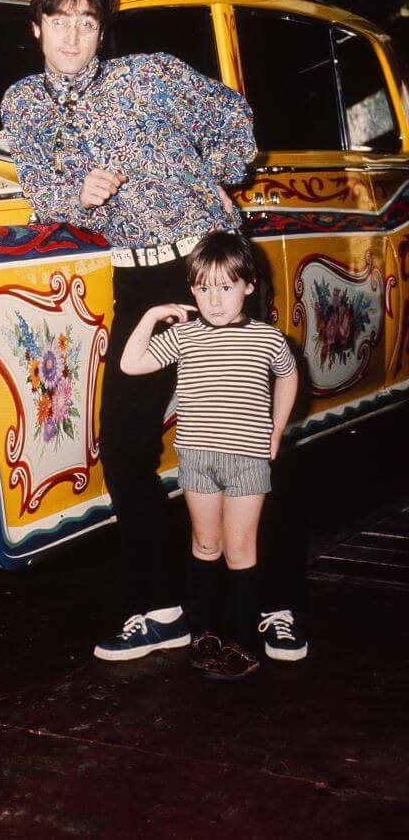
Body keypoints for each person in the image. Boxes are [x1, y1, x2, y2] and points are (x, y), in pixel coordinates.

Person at [0, 0, 279, 661]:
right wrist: (76, 197)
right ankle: (165, 606)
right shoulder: (23, 104)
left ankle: (277, 603)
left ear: (102, 30)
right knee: (123, 448)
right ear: (37, 28)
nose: (71, 37)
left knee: (246, 441)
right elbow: (39, 189)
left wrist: (217, 178)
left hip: (207, 266)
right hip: (136, 279)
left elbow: (233, 117)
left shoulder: (148, 75)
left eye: (85, 23)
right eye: (58, 22)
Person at [119, 232, 298, 679]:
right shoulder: (184, 335)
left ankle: (244, 640)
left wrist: (276, 429)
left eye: (225, 287)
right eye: (202, 288)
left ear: (249, 286)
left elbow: (289, 376)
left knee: (240, 550)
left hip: (246, 461)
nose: (214, 300)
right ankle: (207, 633)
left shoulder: (266, 339)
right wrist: (151, 315)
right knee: (205, 544)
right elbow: (131, 364)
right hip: (197, 458)